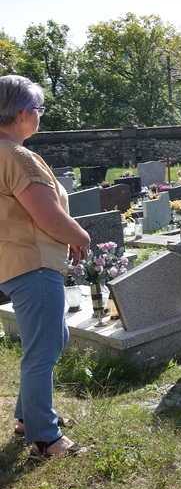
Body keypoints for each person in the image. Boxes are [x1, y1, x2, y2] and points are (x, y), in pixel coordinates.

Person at [0, 75, 92, 459]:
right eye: (37, 110)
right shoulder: (17, 155)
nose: (39, 116)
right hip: (34, 262)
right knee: (43, 350)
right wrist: (81, 236)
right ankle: (44, 437)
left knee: (53, 340)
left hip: (18, 260)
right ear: (22, 113)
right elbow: (49, 217)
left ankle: (27, 416)